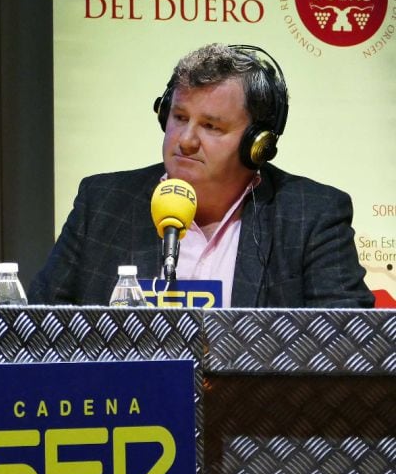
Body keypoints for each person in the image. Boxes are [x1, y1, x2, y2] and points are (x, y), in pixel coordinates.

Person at [32, 43, 372, 309]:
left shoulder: (311, 215)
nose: (186, 140)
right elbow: (36, 328)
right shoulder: (104, 202)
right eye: (179, 117)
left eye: (211, 126)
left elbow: (349, 349)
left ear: (258, 144)